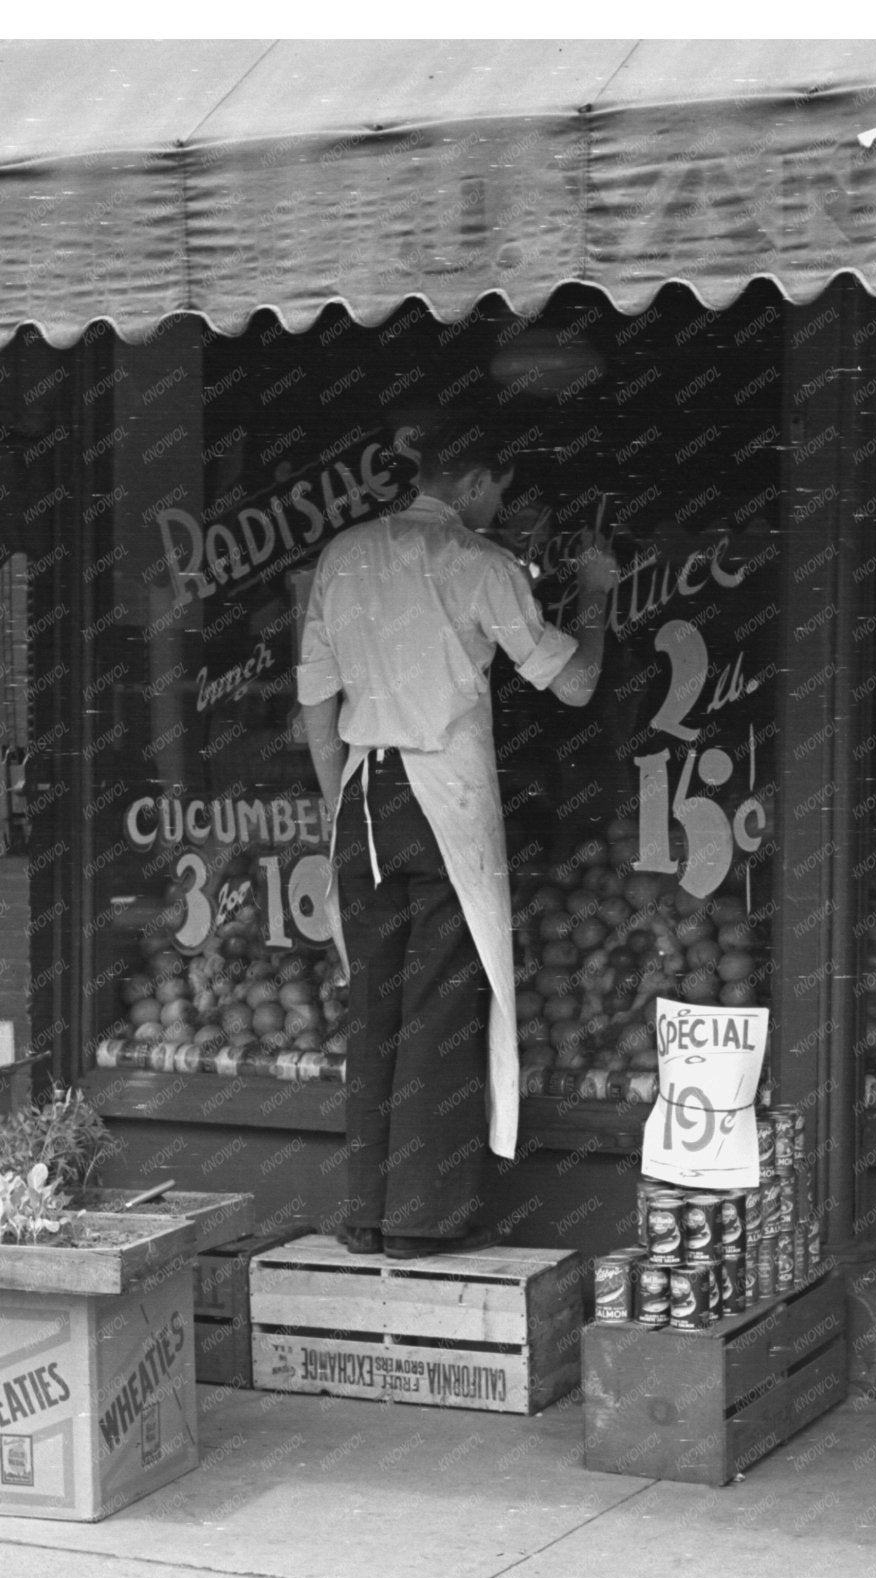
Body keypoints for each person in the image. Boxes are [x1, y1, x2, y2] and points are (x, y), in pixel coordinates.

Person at [295, 418, 619, 1256]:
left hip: (364, 796)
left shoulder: (344, 554)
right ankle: (419, 1221)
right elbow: (577, 684)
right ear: (476, 482)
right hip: (445, 798)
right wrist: (596, 593)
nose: (501, 506)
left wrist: (340, 807)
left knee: (374, 1003)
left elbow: (315, 703)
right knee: (440, 1002)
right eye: (500, 490)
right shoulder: (484, 566)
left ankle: (364, 1214)